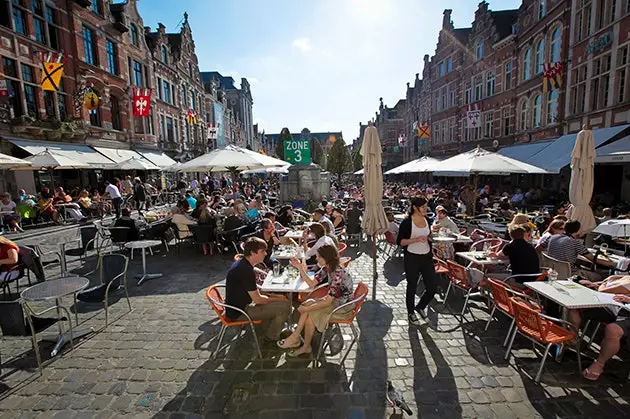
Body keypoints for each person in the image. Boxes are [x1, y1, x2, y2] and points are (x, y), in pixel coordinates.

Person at [277, 244, 354, 357]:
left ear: (325, 258)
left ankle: (300, 341)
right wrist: (299, 267)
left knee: (308, 312)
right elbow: (311, 283)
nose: (316, 259)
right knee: (308, 305)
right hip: (334, 300)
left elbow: (327, 302)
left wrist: (306, 308)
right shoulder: (327, 268)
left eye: (318, 257)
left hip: (343, 306)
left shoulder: (338, 274)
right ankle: (299, 340)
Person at [224, 237, 291, 341]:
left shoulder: (243, 263)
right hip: (240, 312)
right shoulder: (246, 270)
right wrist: (278, 299)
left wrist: (276, 296)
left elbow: (256, 291)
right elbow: (258, 300)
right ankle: (272, 336)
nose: (265, 254)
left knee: (274, 297)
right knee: (286, 307)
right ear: (252, 253)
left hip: (239, 306)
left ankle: (267, 327)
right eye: (262, 251)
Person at [396, 196, 438, 325]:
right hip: (412, 257)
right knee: (412, 286)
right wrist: (415, 239)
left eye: (426, 206)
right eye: (423, 207)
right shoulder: (407, 222)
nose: (426, 209)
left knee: (432, 287)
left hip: (426, 257)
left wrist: (433, 235)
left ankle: (420, 306)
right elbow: (400, 241)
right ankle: (411, 312)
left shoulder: (428, 220)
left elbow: (429, 236)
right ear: (415, 207)